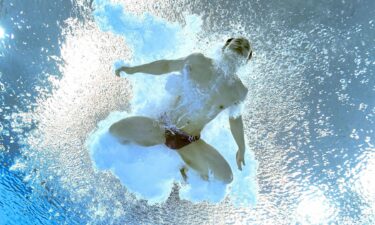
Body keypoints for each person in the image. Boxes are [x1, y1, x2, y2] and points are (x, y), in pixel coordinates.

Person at [111, 37, 253, 184]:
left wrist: (241, 148)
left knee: (225, 178)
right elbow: (166, 65)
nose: (240, 47)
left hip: (188, 141)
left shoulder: (239, 91)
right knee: (115, 131)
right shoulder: (198, 61)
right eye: (237, 43)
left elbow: (235, 119)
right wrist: (133, 69)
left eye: (244, 49)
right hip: (161, 126)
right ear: (225, 48)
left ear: (245, 61)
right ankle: (128, 160)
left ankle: (185, 167)